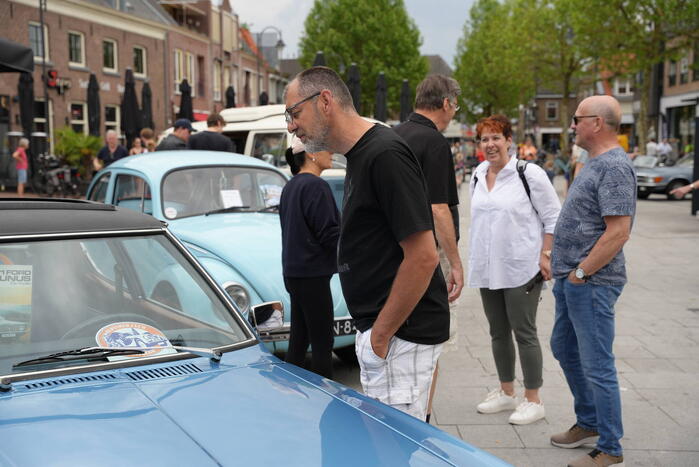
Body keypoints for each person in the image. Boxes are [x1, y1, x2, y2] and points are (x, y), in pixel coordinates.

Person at [284, 66, 448, 420]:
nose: (291, 126)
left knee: (392, 453)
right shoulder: (364, 155)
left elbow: (422, 257)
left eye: (294, 113)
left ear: (324, 100)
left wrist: (381, 337)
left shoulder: (383, 153)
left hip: (399, 336)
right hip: (388, 335)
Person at [550, 95, 635, 467]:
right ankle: (588, 422)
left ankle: (611, 447)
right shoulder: (594, 163)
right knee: (565, 349)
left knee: (597, 362)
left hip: (592, 282)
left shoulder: (614, 167)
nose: (572, 125)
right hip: (572, 280)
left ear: (597, 123)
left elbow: (618, 232)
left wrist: (582, 273)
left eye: (577, 119)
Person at [468, 115, 561, 426]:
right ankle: (507, 391)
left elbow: (552, 217)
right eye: (485, 139)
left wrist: (546, 255)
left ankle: (533, 399)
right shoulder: (477, 174)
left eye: (496, 137)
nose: (491, 144)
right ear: (478, 145)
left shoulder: (529, 174)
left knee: (524, 332)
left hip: (522, 266)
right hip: (487, 267)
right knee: (497, 332)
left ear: (509, 140)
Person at [393, 74, 463, 423]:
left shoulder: (393, 135)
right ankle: (422, 420)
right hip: (423, 259)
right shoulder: (434, 143)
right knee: (428, 345)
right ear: (446, 103)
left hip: (392, 258)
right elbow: (438, 209)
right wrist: (456, 263)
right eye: (455, 105)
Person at [278, 138, 340, 379]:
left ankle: (292, 393)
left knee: (300, 339)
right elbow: (329, 233)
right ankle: (326, 399)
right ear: (311, 154)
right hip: (313, 274)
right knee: (323, 342)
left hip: (294, 272)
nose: (331, 151)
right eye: (326, 147)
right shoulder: (316, 186)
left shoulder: (291, 186)